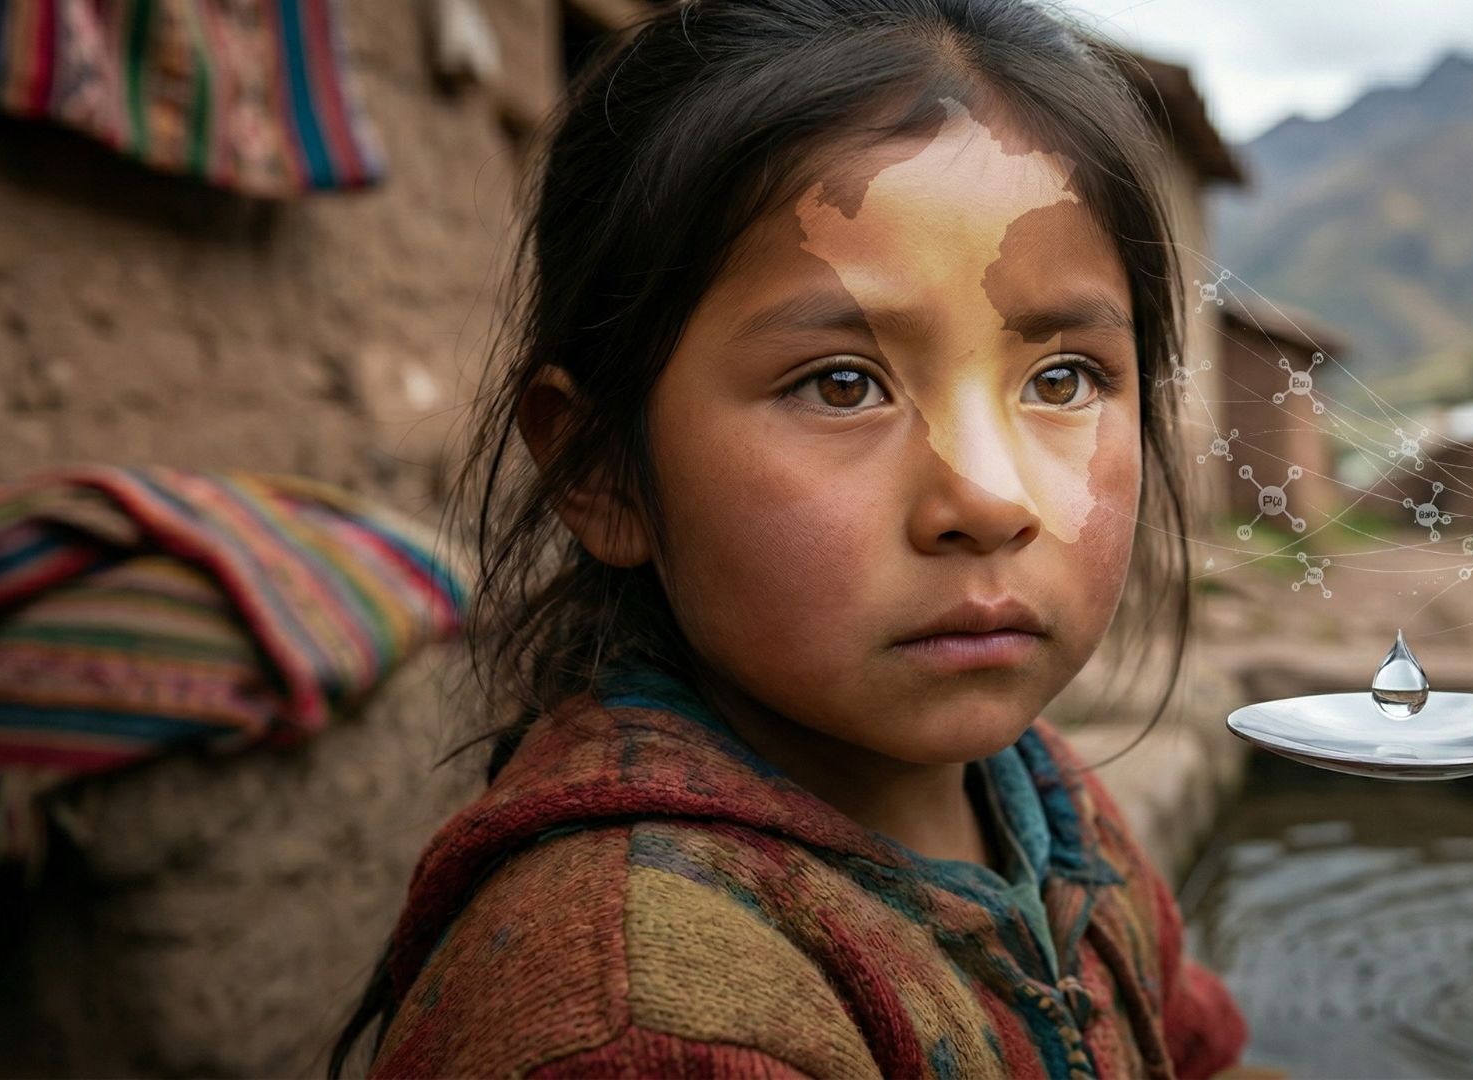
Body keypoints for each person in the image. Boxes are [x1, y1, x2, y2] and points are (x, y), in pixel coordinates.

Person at [328, 0, 1252, 1075]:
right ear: (601, 469)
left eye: (1062, 379)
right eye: (842, 384)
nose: (991, 498)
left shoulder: (1038, 795)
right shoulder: (649, 1026)